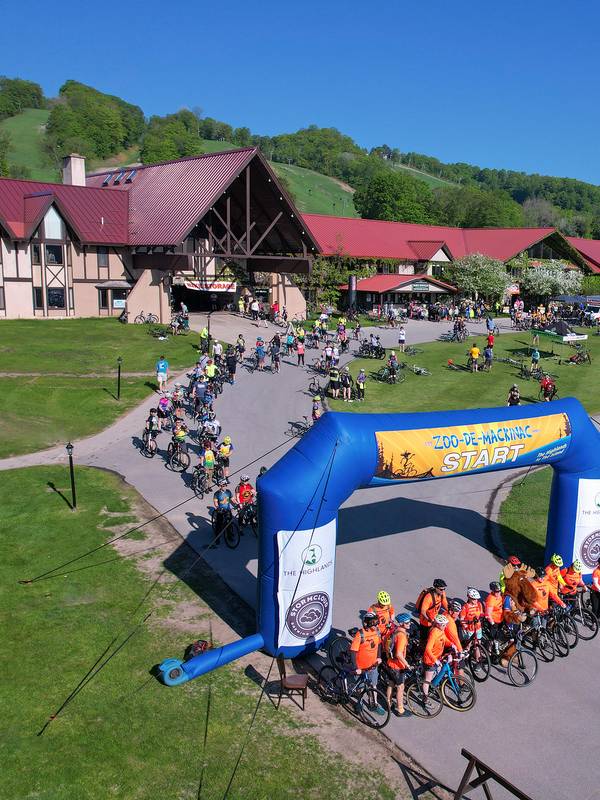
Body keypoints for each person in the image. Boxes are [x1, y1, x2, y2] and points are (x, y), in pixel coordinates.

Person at [349, 612, 384, 714]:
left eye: (377, 622)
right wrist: (356, 668)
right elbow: (353, 651)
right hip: (361, 667)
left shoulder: (377, 632)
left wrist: (378, 657)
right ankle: (359, 703)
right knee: (359, 687)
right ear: (367, 623)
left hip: (372, 666)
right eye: (374, 623)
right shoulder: (360, 635)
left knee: (373, 685)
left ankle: (374, 704)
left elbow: (379, 645)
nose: (376, 625)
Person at [381, 613, 412, 717]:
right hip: (397, 667)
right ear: (402, 623)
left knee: (390, 684)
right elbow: (399, 653)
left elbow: (385, 641)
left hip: (390, 663)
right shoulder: (402, 636)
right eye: (407, 622)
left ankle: (388, 704)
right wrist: (407, 664)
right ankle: (400, 710)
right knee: (400, 687)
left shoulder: (394, 630)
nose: (410, 624)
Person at [422, 615, 453, 697]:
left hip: (438, 657)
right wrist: (435, 660)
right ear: (438, 625)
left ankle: (434, 687)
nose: (445, 626)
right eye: (444, 625)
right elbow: (428, 649)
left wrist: (452, 645)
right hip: (430, 660)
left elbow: (444, 640)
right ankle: (425, 697)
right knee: (427, 680)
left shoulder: (441, 630)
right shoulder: (434, 633)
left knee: (439, 672)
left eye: (445, 624)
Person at [417, 578, 449, 648]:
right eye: (441, 589)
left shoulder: (442, 593)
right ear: (436, 588)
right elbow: (423, 611)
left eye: (444, 589)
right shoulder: (428, 597)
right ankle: (420, 650)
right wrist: (429, 620)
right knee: (424, 639)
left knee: (435, 636)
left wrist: (450, 610)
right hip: (426, 622)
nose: (443, 591)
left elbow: (444, 602)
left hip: (435, 619)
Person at [212, 479, 236, 545]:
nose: (223, 487)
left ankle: (229, 536)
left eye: (225, 485)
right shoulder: (217, 493)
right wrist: (218, 508)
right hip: (220, 510)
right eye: (222, 485)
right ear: (219, 486)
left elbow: (233, 499)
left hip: (227, 509)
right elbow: (215, 502)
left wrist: (237, 504)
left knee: (229, 524)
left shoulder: (228, 492)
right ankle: (217, 538)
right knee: (219, 525)